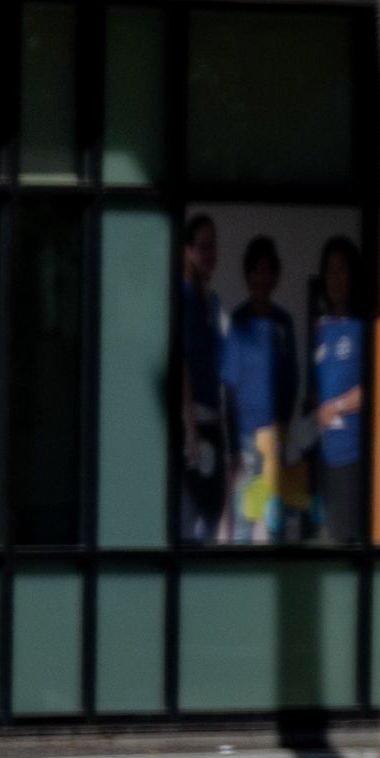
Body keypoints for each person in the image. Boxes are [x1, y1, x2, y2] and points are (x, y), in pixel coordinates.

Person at [217, 233, 302, 545]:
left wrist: (283, 423)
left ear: (275, 275)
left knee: (276, 525)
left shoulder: (284, 323)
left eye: (267, 270)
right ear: (247, 275)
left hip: (275, 442)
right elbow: (229, 389)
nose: (261, 277)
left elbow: (292, 379)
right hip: (244, 442)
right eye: (255, 270)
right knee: (242, 528)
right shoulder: (239, 321)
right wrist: (234, 451)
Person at [301, 233, 371, 548]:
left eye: (342, 269)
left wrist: (337, 406)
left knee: (343, 542)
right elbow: (321, 385)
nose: (335, 278)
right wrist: (316, 404)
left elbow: (372, 390)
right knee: (321, 538)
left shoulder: (364, 327)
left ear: (354, 275)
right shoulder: (323, 327)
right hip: (321, 454)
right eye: (329, 270)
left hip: (349, 455)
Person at [171, 213, 229, 541]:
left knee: (211, 516)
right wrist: (190, 426)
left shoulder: (213, 301)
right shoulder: (183, 297)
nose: (210, 254)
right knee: (187, 518)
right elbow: (182, 361)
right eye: (203, 247)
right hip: (191, 424)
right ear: (187, 251)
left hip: (212, 423)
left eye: (213, 247)